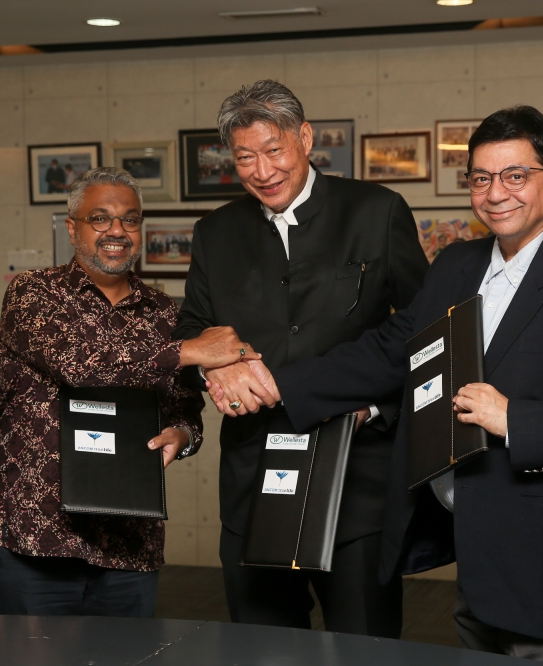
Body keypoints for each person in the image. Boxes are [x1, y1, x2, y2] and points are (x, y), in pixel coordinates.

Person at [222, 106, 543, 665]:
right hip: (476, 550)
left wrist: (516, 419)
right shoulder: (457, 265)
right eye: (481, 178)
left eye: (515, 175)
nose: (495, 192)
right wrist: (274, 382)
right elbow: (392, 348)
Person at [174, 80, 429, 637]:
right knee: (262, 646)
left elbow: (424, 331)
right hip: (254, 483)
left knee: (365, 645)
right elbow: (191, 330)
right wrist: (218, 364)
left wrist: (380, 409)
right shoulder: (215, 232)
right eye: (245, 157)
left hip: (357, 481)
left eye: (274, 151)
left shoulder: (377, 211)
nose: (262, 171)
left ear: (305, 138)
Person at [0, 167, 253, 617]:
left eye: (130, 220)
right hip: (37, 536)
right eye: (100, 218)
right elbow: (83, 367)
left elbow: (187, 407)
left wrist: (183, 436)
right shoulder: (34, 293)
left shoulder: (166, 313)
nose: (117, 231)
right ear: (73, 229)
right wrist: (189, 350)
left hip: (129, 539)